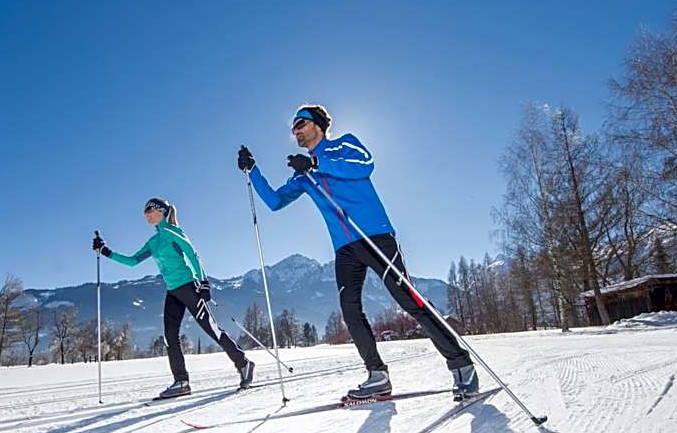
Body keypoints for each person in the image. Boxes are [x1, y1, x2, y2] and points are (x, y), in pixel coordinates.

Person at [237, 105, 479, 401]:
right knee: (350, 309)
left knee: (408, 299)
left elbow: (365, 165)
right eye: (292, 128)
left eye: (300, 124)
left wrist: (317, 164)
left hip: (374, 234)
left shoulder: (343, 145)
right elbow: (275, 201)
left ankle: (462, 366)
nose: (295, 131)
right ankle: (377, 376)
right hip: (345, 247)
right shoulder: (303, 175)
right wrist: (253, 171)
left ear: (318, 125)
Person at [92, 198, 255, 398]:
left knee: (211, 329)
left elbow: (193, 255)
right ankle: (181, 381)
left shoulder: (173, 232)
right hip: (172, 292)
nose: (145, 214)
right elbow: (133, 261)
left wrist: (203, 282)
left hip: (188, 287)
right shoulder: (153, 242)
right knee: (170, 336)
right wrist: (105, 251)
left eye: (148, 210)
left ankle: (244, 364)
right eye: (144, 211)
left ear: (160, 211)